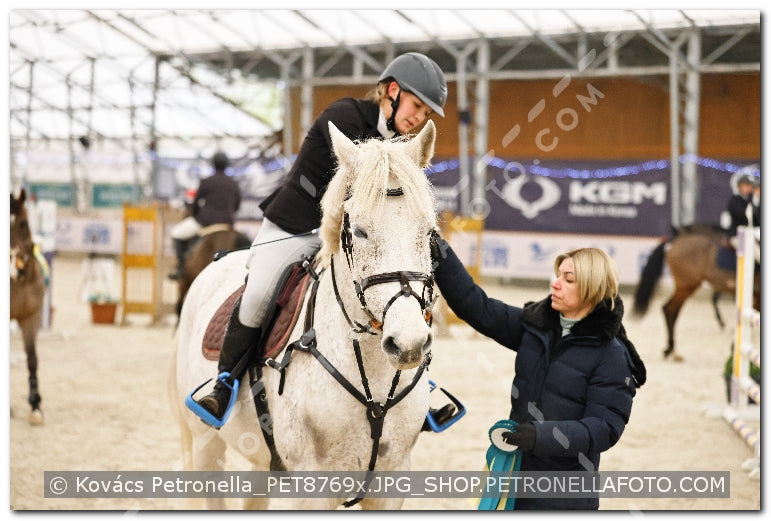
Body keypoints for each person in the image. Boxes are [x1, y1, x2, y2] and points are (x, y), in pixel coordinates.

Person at [190, 52, 448, 425]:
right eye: (417, 106)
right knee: (261, 292)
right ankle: (225, 382)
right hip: (295, 227)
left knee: (400, 290)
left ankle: (416, 384)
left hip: (346, 238)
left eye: (426, 114)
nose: (419, 118)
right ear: (391, 91)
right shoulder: (346, 117)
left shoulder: (402, 146)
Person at [431, 237, 646, 510]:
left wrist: (538, 436)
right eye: (557, 276)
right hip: (513, 480)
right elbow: (477, 306)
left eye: (569, 280)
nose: (556, 284)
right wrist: (441, 255)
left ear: (593, 289)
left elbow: (604, 429)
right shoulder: (535, 325)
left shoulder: (612, 355)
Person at [169, 152, 242, 280]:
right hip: (227, 224)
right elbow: (237, 205)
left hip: (206, 222)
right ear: (227, 165)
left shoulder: (207, 181)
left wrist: (196, 215)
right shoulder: (233, 183)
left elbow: (196, 203)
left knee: (176, 233)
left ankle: (180, 268)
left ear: (213, 165)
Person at [726, 174, 758, 245]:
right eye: (747, 185)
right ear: (740, 186)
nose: (750, 187)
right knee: (755, 253)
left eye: (750, 185)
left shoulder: (752, 199)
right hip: (738, 234)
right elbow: (741, 215)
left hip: (753, 234)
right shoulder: (735, 200)